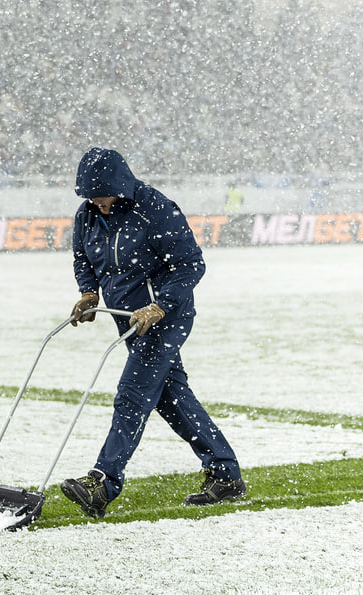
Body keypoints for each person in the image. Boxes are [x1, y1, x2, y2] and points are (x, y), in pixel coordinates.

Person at [60, 147, 245, 518]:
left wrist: (159, 305)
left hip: (166, 317)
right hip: (127, 319)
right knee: (171, 397)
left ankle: (103, 482)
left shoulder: (155, 209)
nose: (96, 201)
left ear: (121, 186)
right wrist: (88, 292)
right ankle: (225, 474)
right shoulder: (89, 215)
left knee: (132, 395)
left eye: (102, 193)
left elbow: (191, 264)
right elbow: (84, 257)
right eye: (89, 195)